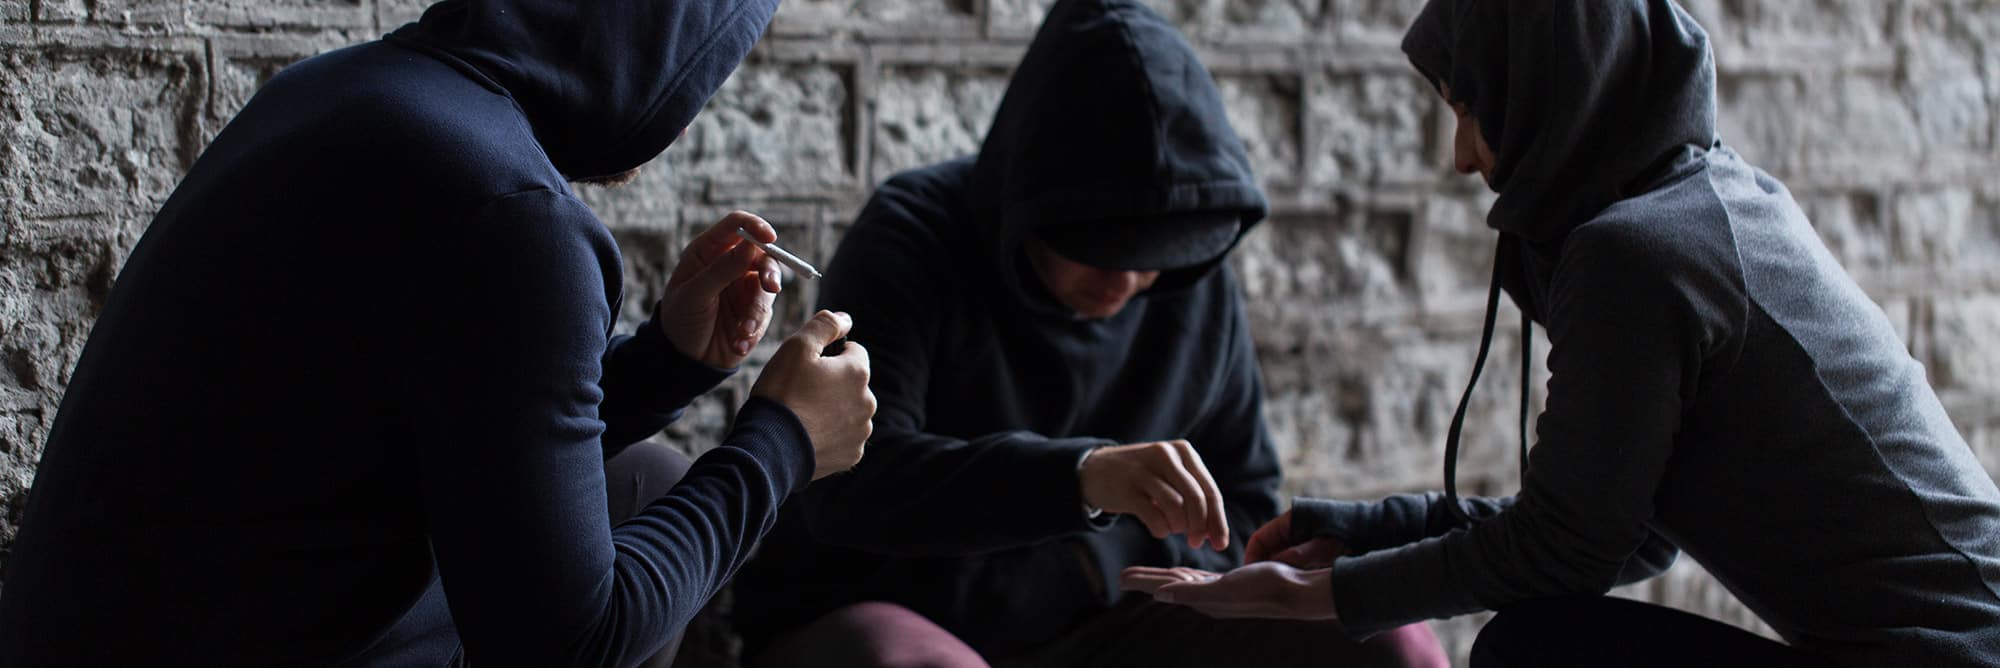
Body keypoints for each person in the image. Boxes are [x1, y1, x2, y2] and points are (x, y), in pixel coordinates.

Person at [1123, 1, 2000, 666]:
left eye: (1475, 110)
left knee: (1535, 648)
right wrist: (1359, 532)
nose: (1462, 156)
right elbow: (1626, 531)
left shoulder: (1639, 254)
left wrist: (1309, 599)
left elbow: (1570, 547)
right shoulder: (1702, 201)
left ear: (1552, 92)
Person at [0, 1, 875, 666]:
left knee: (647, 479)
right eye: (698, 69)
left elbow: (454, 426)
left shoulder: (354, 88)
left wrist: (669, 360)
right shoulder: (511, 215)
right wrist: (784, 441)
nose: (686, 109)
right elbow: (570, 644)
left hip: (108, 626)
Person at [729, 1, 1447, 666]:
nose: (1126, 280)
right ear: (1031, 198)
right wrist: (1080, 480)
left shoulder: (1185, 275)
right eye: (1098, 246)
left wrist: (1154, 568)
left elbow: (1244, 500)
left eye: (1153, 259)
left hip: (1110, 622)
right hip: (896, 618)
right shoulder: (913, 238)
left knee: (1385, 638)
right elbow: (849, 485)